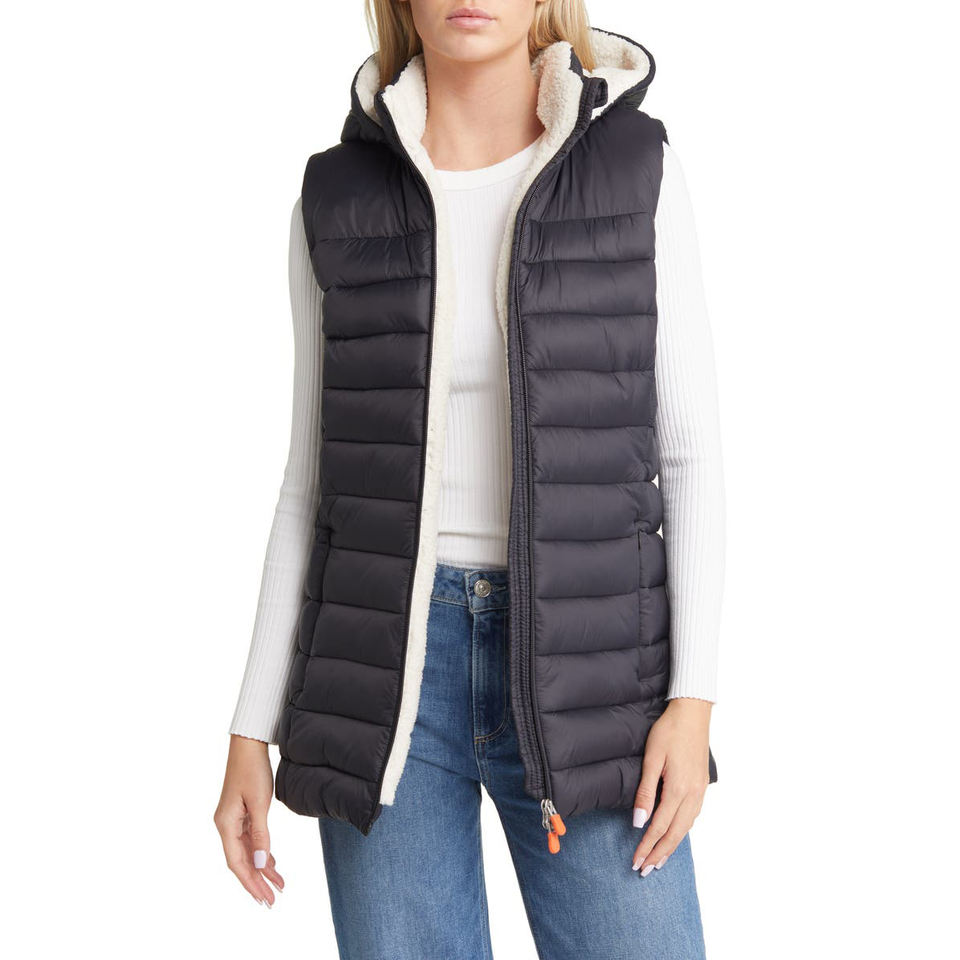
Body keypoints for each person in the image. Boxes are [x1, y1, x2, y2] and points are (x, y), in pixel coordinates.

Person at [214, 2, 726, 957]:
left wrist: (690, 702)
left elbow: (690, 454)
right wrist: (251, 727)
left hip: (593, 676)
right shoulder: (336, 198)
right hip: (381, 684)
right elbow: (310, 484)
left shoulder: (635, 168)